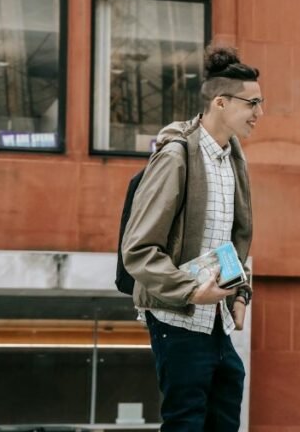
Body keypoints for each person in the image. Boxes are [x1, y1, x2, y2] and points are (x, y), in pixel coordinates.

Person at [121, 45, 263, 431]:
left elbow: (229, 242)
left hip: (216, 319)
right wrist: (189, 289)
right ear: (221, 102)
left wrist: (240, 292)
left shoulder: (233, 159)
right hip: (176, 315)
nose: (259, 113)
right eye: (252, 103)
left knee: (224, 417)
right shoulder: (176, 156)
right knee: (185, 421)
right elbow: (138, 249)